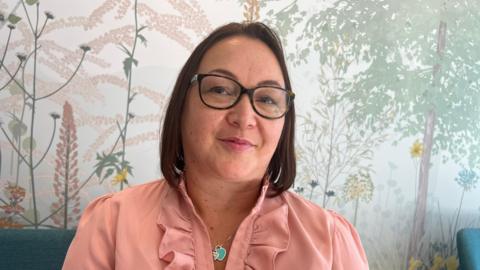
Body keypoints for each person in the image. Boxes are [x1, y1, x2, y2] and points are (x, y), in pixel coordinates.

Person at [62, 22, 369, 270]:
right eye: (221, 89)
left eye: (266, 99)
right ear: (183, 105)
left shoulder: (330, 242)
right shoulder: (112, 224)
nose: (244, 117)